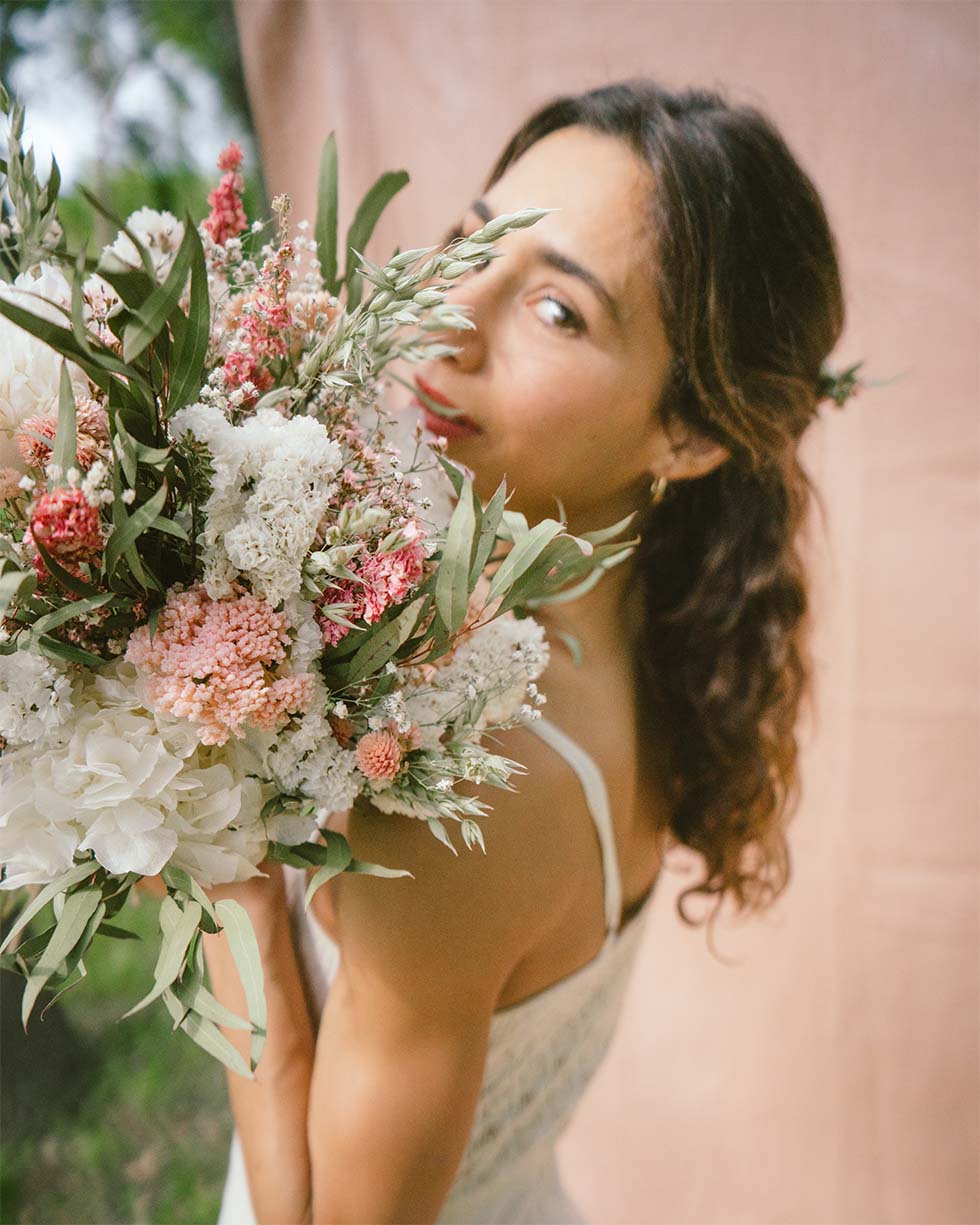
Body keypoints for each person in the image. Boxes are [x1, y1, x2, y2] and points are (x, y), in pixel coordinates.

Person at [203, 79, 847, 1224]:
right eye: (468, 238)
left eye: (557, 312)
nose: (450, 314)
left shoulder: (469, 780)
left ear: (688, 434)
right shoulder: (630, 626)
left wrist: (226, 875)